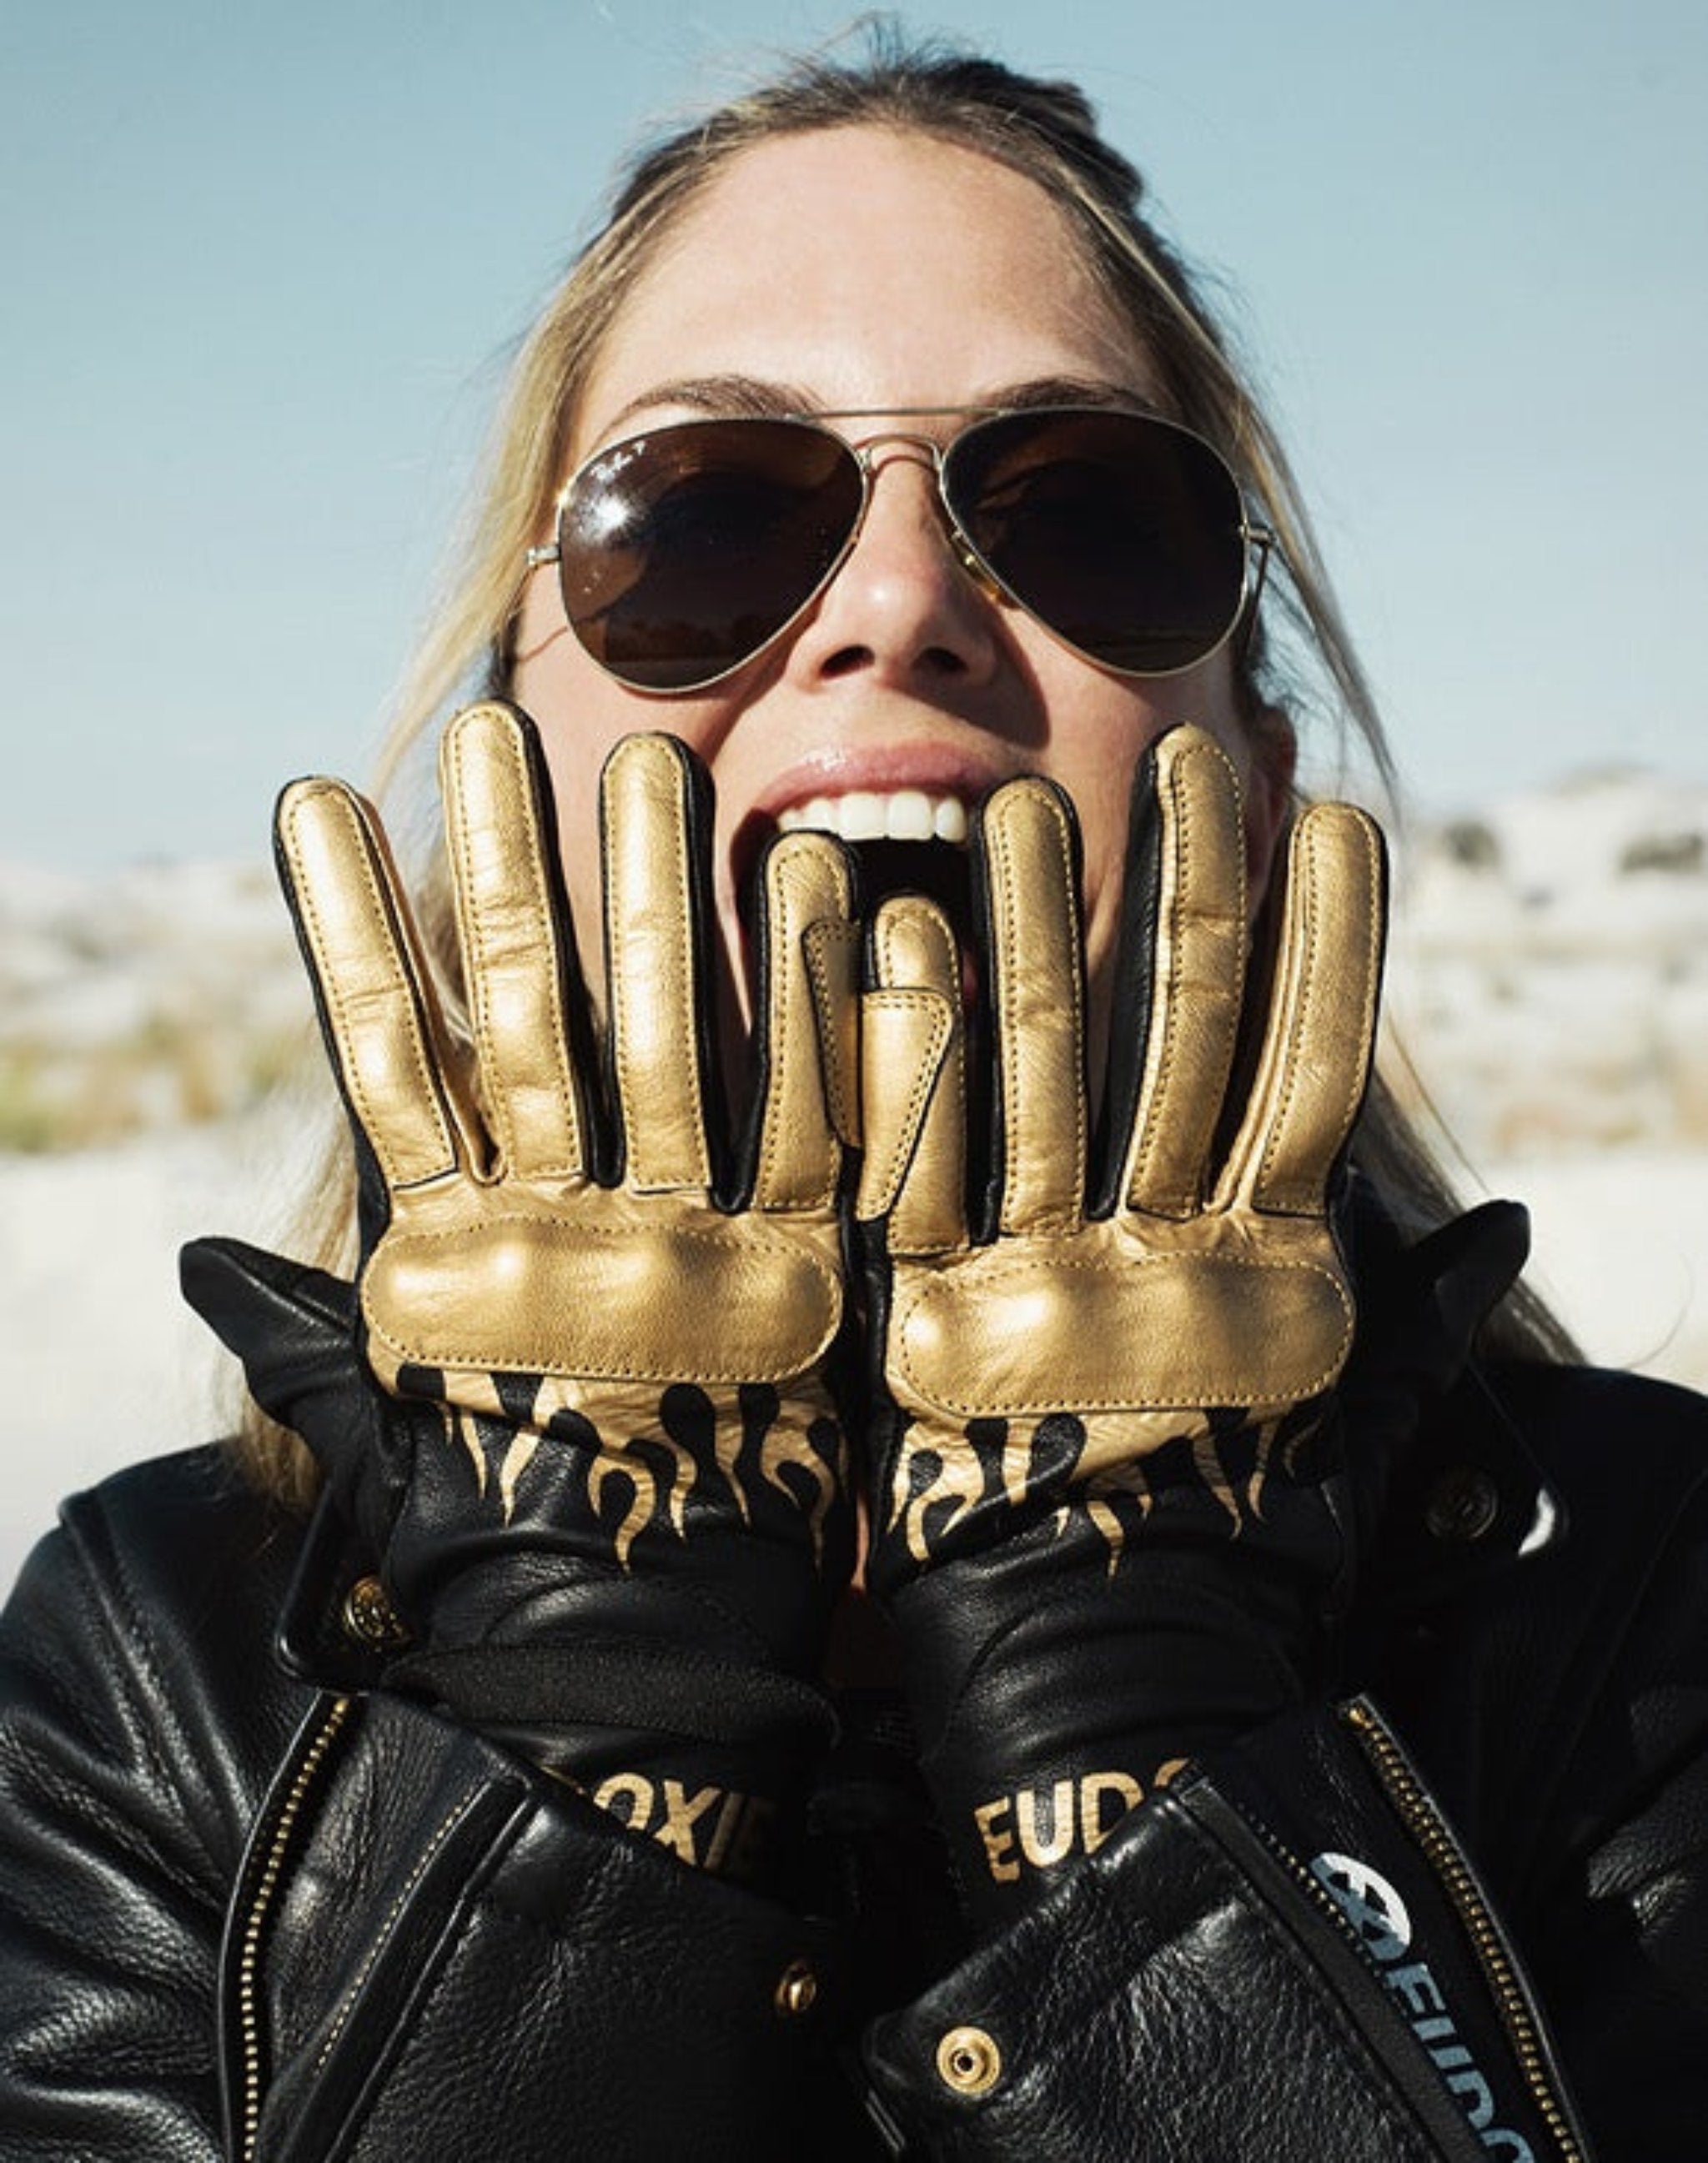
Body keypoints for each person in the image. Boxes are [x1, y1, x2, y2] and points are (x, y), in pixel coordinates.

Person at [3, 29, 1705, 2160]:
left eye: (1083, 513)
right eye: (704, 522)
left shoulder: (1638, 1605)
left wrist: (1140, 1725)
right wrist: (593, 1710)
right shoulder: (162, 1663)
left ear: (1255, 795)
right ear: (507, 763)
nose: (897, 606)